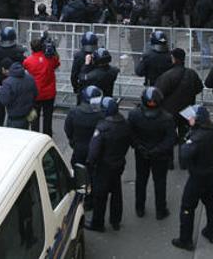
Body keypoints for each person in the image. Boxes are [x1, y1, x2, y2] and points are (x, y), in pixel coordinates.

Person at [172, 105, 213, 251]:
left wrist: (187, 139)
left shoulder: (197, 137)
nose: (189, 119)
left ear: (198, 119)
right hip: (211, 172)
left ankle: (185, 240)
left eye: (192, 117)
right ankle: (211, 231)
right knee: (210, 202)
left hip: (197, 176)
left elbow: (185, 154)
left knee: (187, 207)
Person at [128, 87, 175, 220]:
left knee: (141, 180)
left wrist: (139, 146)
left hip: (141, 153)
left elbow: (130, 133)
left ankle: (140, 208)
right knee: (160, 182)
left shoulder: (134, 115)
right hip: (160, 155)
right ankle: (160, 210)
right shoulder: (167, 118)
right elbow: (170, 139)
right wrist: (158, 149)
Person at [86, 97, 133, 232]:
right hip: (118, 163)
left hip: (103, 166)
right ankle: (115, 220)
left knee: (100, 196)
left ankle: (98, 223)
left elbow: (94, 151)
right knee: (116, 192)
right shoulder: (125, 124)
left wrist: (90, 163)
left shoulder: (102, 128)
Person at [154, 48, 204, 146]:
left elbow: (158, 93)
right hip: (187, 111)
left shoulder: (167, 76)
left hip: (170, 112)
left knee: (168, 138)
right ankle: (184, 154)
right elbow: (199, 88)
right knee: (185, 138)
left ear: (173, 59)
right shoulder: (191, 73)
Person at [23, 37, 60, 136]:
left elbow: (24, 67)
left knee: (34, 116)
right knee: (48, 116)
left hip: (35, 94)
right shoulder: (50, 59)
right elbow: (57, 63)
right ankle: (47, 135)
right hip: (49, 93)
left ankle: (35, 135)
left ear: (32, 48)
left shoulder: (28, 61)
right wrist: (54, 51)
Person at [0, 27, 25, 126]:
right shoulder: (19, 50)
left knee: (0, 105)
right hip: (15, 81)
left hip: (0, 82)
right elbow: (22, 66)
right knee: (14, 105)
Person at [64, 85, 104, 168]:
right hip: (96, 150)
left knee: (78, 170)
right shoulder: (101, 115)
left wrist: (73, 141)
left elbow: (68, 129)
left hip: (79, 148)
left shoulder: (74, 112)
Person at [0, 61, 37, 129]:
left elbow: (4, 101)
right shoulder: (30, 78)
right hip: (27, 114)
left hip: (14, 117)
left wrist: (0, 90)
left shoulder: (7, 82)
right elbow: (35, 94)